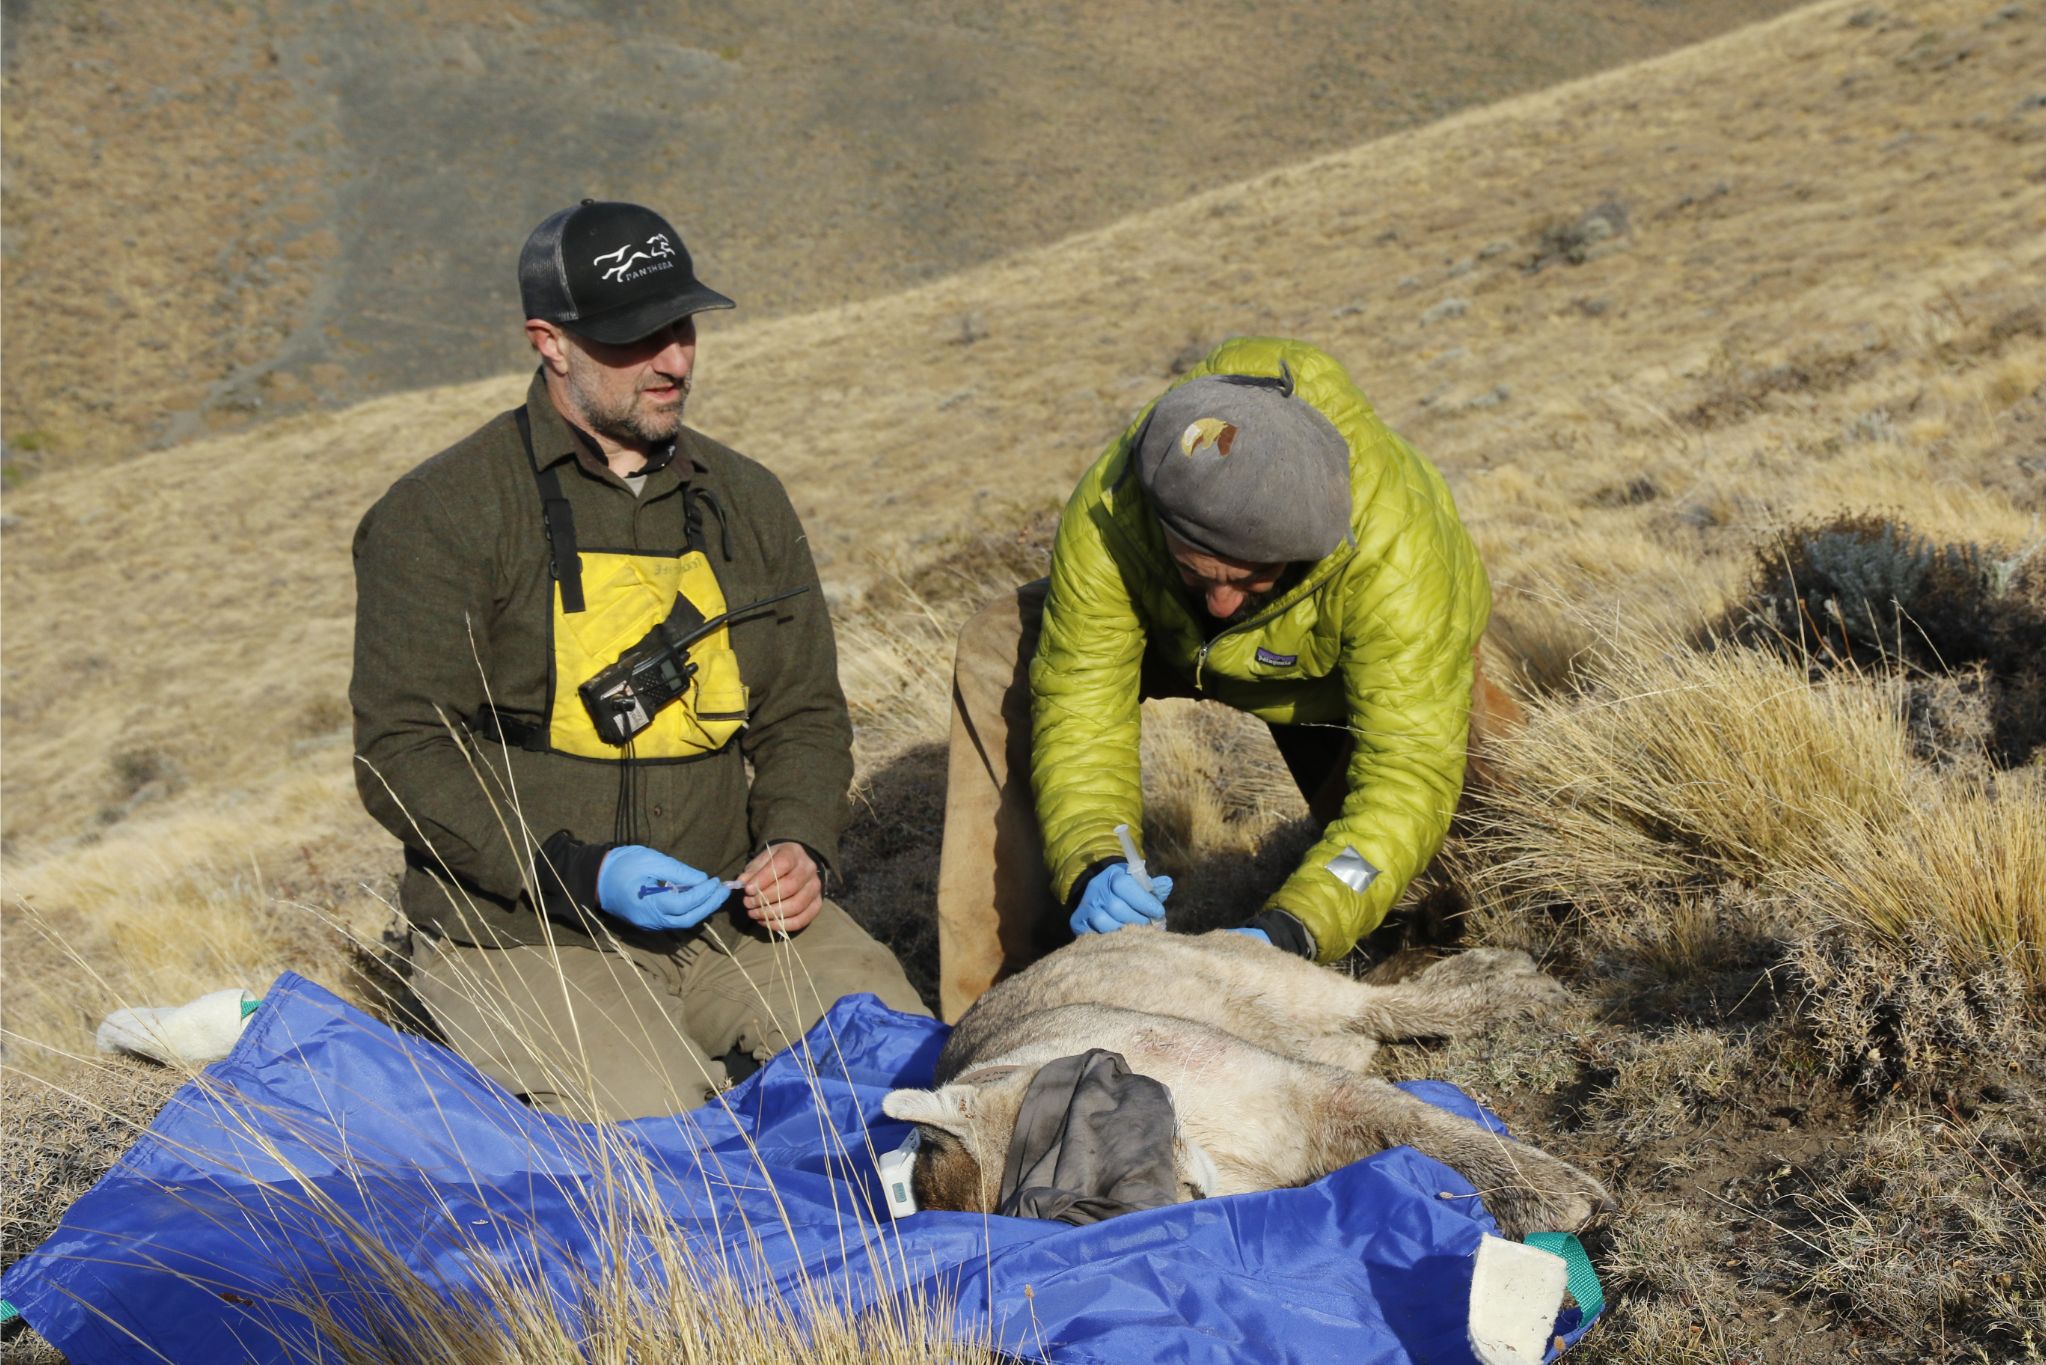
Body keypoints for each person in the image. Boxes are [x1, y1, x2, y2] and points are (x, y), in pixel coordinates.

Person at [351, 199, 926, 1119]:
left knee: (904, 1072)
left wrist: (797, 840)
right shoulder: (443, 512)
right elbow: (402, 751)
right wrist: (583, 870)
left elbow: (804, 715)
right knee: (657, 1138)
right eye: (635, 338)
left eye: (682, 327)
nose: (675, 360)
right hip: (523, 935)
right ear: (551, 342)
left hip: (732, 920)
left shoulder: (748, 500)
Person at [934, 336, 1518, 1021]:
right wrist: (1094, 860)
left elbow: (1407, 772)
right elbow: (1080, 705)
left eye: (1252, 578)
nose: (1220, 604)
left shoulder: (1397, 558)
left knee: (1458, 871)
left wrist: (1293, 929)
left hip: (1329, 671)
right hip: (1169, 642)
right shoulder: (1117, 504)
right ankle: (1002, 1010)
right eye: (1195, 569)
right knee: (1001, 641)